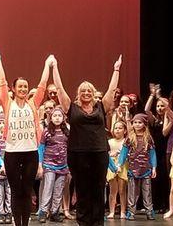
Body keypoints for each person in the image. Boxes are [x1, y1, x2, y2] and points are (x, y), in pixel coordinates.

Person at [52, 54, 122, 226]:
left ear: (93, 93)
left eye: (89, 90)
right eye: (83, 90)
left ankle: (97, 223)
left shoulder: (101, 107)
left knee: (98, 190)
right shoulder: (71, 108)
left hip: (99, 153)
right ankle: (83, 222)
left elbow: (112, 91)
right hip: (78, 154)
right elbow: (60, 90)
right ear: (78, 93)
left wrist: (116, 69)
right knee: (82, 191)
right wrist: (55, 67)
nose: (86, 93)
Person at [0, 48, 50, 226]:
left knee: (26, 191)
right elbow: (1, 80)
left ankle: (24, 224)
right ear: (13, 89)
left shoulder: (33, 103)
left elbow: (42, 84)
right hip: (12, 153)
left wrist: (47, 64)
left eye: (26, 86)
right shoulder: (8, 103)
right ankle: (16, 223)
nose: (23, 89)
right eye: (20, 86)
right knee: (15, 190)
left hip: (30, 153)